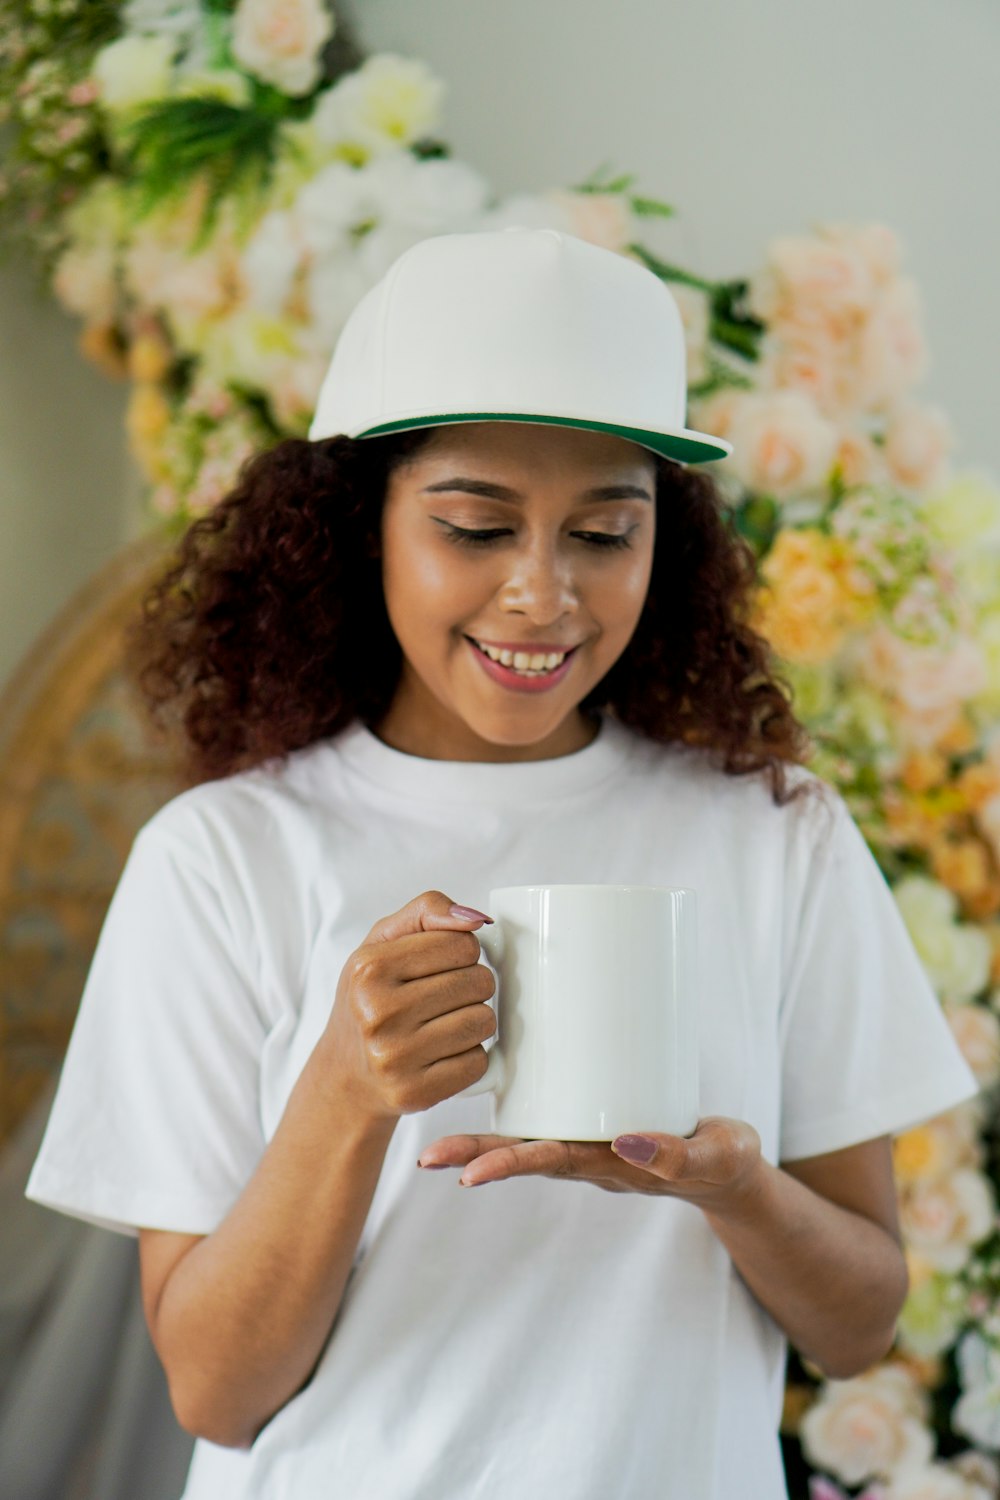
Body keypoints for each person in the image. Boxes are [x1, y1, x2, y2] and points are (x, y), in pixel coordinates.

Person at [26, 227, 978, 1499]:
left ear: (667, 542)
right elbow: (215, 1390)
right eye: (475, 527)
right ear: (358, 526)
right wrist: (345, 1097)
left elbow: (857, 1325)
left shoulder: (773, 832)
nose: (542, 595)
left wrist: (734, 1187)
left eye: (603, 532)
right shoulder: (222, 859)